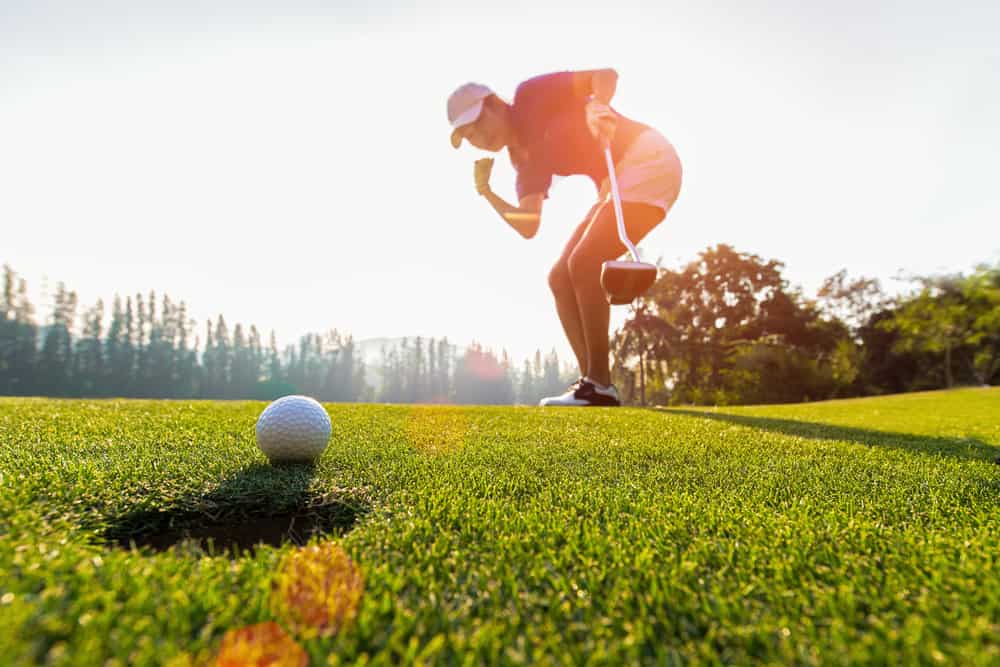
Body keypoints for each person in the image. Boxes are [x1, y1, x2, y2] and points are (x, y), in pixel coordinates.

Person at [447, 69, 682, 407]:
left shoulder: (531, 95)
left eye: (478, 125)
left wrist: (597, 105)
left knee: (584, 264)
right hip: (616, 184)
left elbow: (604, 75)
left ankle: (599, 385)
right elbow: (529, 226)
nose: (478, 139)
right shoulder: (522, 160)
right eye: (469, 136)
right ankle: (594, 386)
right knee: (560, 277)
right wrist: (487, 192)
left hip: (647, 158)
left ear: (496, 104)